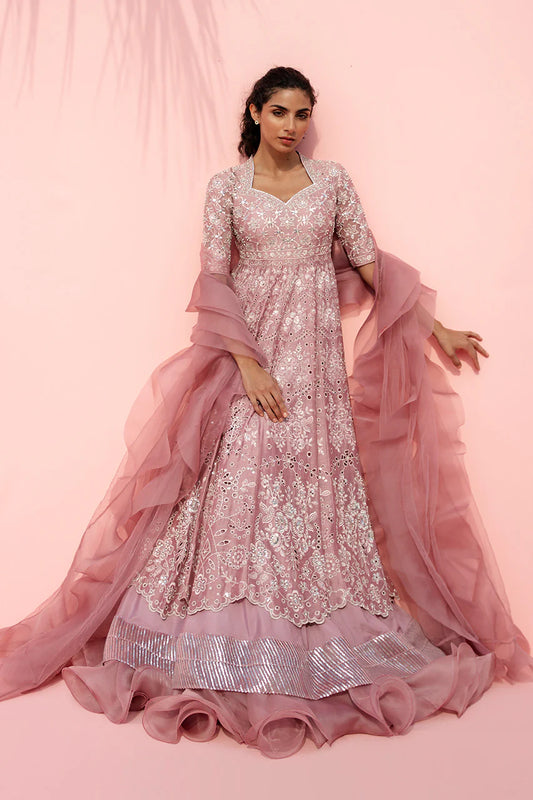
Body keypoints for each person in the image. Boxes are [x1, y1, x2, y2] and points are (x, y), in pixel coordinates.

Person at [1, 66, 532, 759]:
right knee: (232, 487)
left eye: (301, 113)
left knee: (309, 487)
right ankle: (219, 640)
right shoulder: (226, 188)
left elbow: (371, 265)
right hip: (248, 358)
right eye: (278, 110)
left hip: (312, 366)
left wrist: (439, 328)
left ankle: (309, 629)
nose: (290, 124)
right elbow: (215, 280)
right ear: (254, 112)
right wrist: (247, 365)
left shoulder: (333, 181)